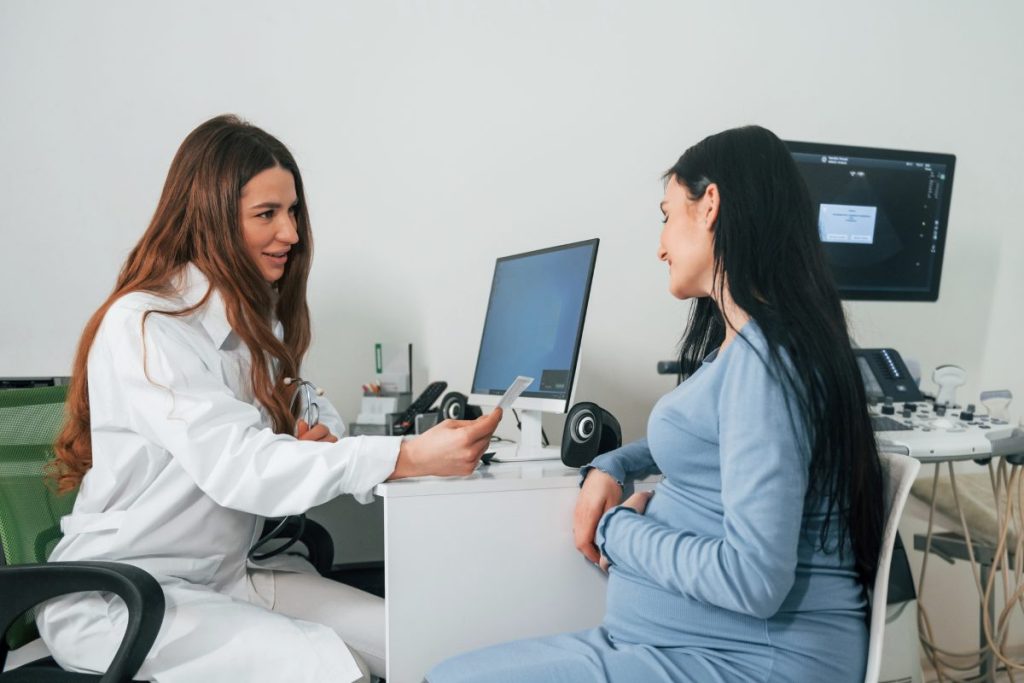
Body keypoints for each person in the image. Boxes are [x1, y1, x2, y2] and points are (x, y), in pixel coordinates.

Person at [37, 114, 501, 683]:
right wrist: (406, 456)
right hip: (129, 593)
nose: (292, 233)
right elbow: (239, 468)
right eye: (267, 215)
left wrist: (312, 438)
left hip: (236, 574)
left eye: (293, 212)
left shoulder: (256, 324)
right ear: (211, 219)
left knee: (427, 648)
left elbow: (307, 413)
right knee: (331, 670)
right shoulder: (146, 326)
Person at [427, 125, 884, 682]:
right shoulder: (743, 350)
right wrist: (615, 465)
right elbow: (703, 441)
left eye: (667, 215)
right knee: (447, 673)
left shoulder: (766, 363)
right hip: (671, 644)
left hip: (751, 662)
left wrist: (617, 530)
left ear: (709, 204)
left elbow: (752, 580)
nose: (661, 244)